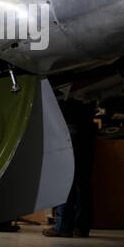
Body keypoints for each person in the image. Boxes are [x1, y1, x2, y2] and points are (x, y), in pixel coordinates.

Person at [43, 97, 96, 238]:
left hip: (68, 126)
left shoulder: (68, 82)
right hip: (87, 127)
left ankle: (63, 226)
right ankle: (81, 227)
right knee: (83, 181)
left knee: (64, 179)